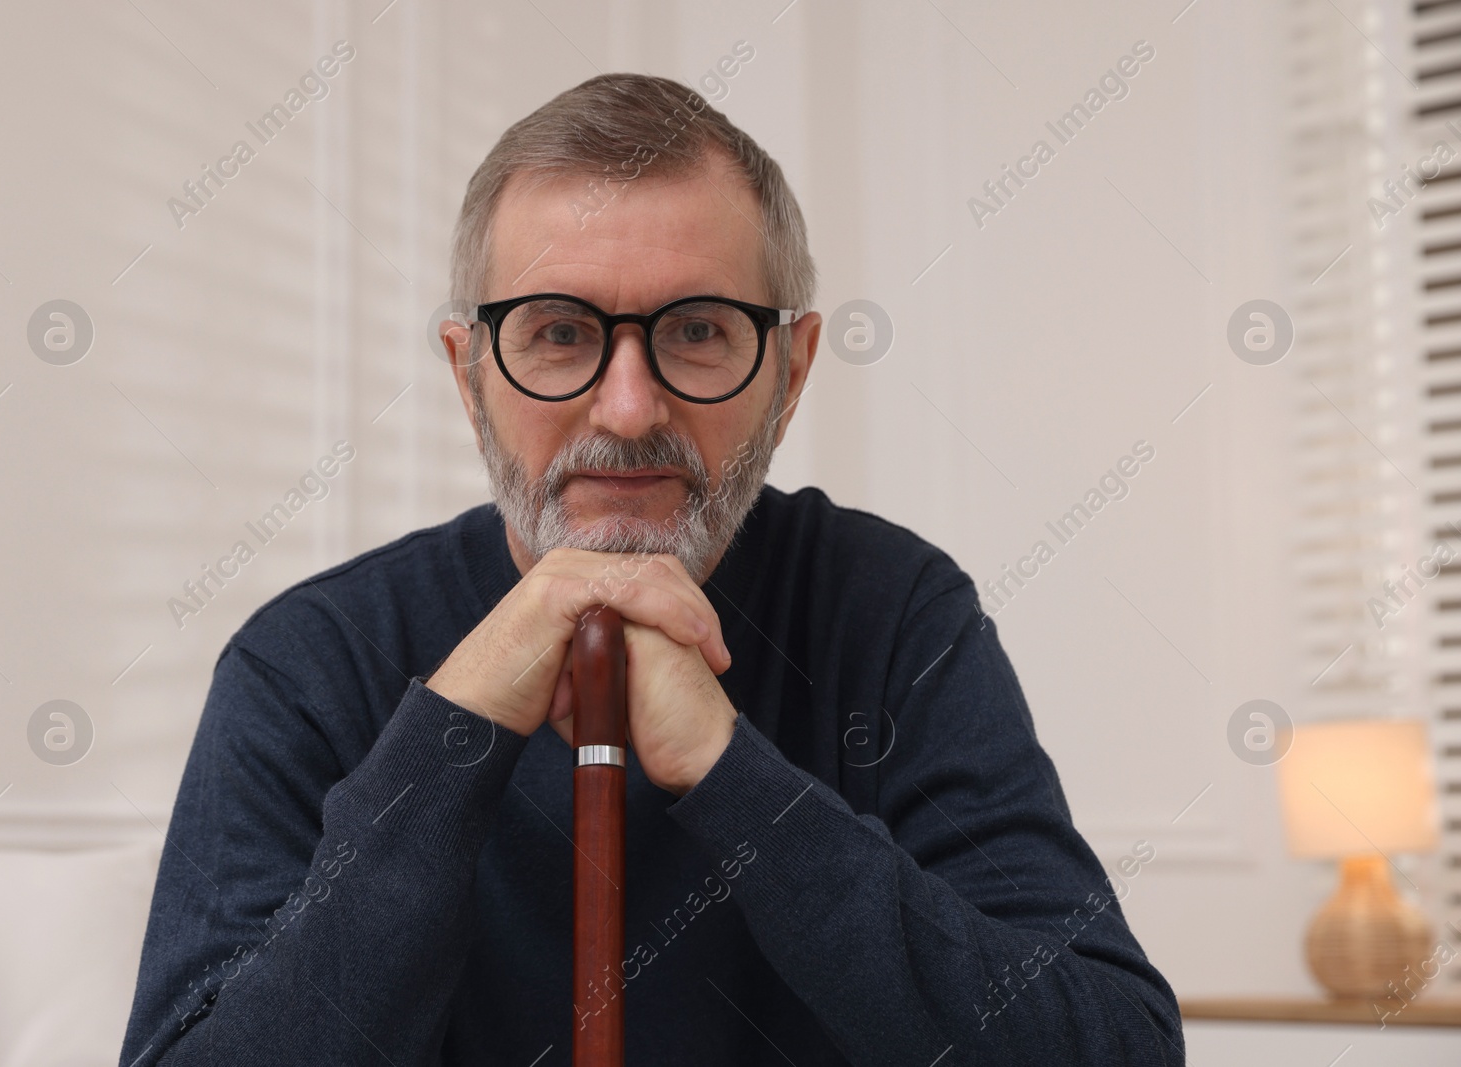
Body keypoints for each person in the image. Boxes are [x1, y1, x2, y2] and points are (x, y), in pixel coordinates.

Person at [119, 72, 1184, 1066]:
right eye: (556, 333)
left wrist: (732, 773)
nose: (628, 409)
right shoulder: (310, 657)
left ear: (791, 370)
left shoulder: (893, 612)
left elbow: (1114, 1043)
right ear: (468, 372)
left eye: (699, 330)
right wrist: (456, 728)